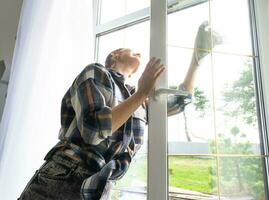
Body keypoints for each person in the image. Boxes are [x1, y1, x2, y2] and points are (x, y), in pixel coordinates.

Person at [18, 21, 221, 200]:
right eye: (131, 50)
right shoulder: (96, 72)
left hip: (100, 187)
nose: (139, 53)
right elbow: (93, 129)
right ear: (114, 56)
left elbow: (180, 101)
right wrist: (142, 93)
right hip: (65, 175)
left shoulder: (137, 101)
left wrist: (197, 58)